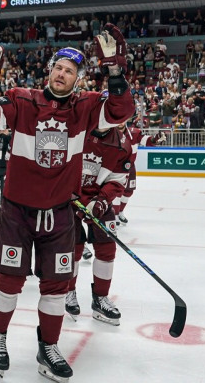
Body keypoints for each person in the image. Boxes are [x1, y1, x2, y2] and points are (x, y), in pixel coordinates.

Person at [0, 23, 133, 382]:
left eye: (70, 71)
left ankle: (48, 345)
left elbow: (121, 112)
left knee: (57, 287)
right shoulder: (22, 98)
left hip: (60, 212)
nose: (62, 74)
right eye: (58, 68)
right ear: (49, 71)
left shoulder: (86, 107)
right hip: (18, 211)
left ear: (78, 79)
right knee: (9, 280)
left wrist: (115, 72)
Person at [65, 124, 132, 326]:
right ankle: (68, 292)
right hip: (69, 199)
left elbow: (118, 180)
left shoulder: (122, 144)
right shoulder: (75, 131)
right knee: (72, 248)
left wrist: (101, 201)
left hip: (99, 199)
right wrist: (68, 194)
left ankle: (100, 298)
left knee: (107, 247)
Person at [113, 118, 166, 224]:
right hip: (114, 167)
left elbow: (146, 140)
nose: (120, 122)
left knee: (128, 191)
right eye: (118, 120)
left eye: (122, 120)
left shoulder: (134, 133)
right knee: (116, 192)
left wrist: (156, 138)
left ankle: (120, 212)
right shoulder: (110, 133)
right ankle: (114, 215)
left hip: (130, 167)